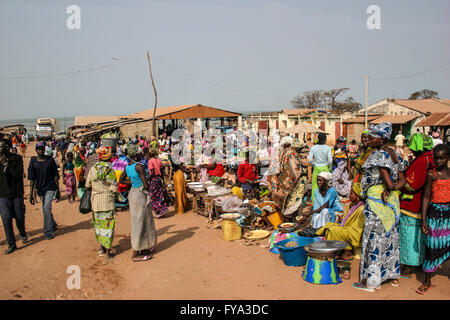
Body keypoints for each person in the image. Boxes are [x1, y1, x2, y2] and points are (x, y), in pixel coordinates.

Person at [353, 122, 406, 292]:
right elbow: (402, 180)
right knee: (389, 241)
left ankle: (371, 282)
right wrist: (393, 190)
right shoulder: (395, 154)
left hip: (377, 204)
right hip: (392, 204)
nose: (368, 139)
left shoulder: (378, 156)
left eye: (372, 137)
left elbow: (389, 184)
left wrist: (388, 189)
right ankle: (390, 276)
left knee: (374, 241)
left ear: (382, 138)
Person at [399, 132, 435, 276]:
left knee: (409, 236)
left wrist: (401, 180)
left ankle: (409, 266)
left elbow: (413, 184)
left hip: (413, 204)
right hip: (426, 203)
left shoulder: (421, 161)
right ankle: (420, 262)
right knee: (421, 236)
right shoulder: (432, 157)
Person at [416, 144, 450, 294]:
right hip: (435, 216)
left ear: (448, 158)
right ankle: (427, 280)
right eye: (436, 158)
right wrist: (424, 220)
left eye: (442, 158)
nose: (439, 161)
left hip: (448, 216)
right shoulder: (431, 175)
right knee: (431, 247)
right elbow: (426, 198)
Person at [119, 145, 157, 262]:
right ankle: (135, 253)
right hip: (140, 195)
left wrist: (132, 182)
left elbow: (121, 180)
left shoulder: (128, 167)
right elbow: (145, 185)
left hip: (133, 194)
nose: (142, 155)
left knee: (140, 221)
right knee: (141, 223)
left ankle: (144, 247)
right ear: (135, 155)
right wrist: (148, 180)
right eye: (140, 154)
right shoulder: (139, 166)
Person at [316, 183, 365, 260]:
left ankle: (346, 250)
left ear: (358, 196)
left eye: (351, 194)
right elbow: (345, 220)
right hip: (346, 228)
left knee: (333, 230)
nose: (349, 195)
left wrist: (342, 228)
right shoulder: (352, 205)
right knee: (329, 225)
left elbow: (357, 230)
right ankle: (336, 250)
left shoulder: (361, 209)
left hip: (353, 233)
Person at [86, 147, 118, 260]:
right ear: (108, 158)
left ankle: (101, 248)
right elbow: (114, 187)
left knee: (99, 225)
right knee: (108, 226)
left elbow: (87, 185)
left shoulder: (93, 169)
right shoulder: (109, 170)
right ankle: (108, 251)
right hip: (107, 202)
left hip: (96, 202)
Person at [0, 139, 28, 254]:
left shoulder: (17, 159)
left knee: (19, 216)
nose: (0, 149)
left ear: (8, 147)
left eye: (1, 146)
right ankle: (12, 244)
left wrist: (6, 165)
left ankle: (22, 233)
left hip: (16, 193)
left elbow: (18, 174)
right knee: (6, 219)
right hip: (3, 194)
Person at [28, 142, 60, 240]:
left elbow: (55, 175)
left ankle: (48, 232)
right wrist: (31, 193)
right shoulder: (33, 161)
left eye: (42, 149)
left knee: (46, 207)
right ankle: (53, 224)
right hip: (40, 188)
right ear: (36, 150)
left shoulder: (50, 160)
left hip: (50, 187)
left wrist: (57, 189)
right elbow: (32, 178)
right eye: (39, 149)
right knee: (44, 209)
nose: (41, 151)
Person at [307, 132, 332, 202]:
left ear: (318, 139)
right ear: (325, 139)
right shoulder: (328, 148)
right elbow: (330, 160)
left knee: (315, 186)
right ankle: (325, 202)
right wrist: (329, 168)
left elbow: (309, 158)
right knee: (326, 186)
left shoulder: (313, 148)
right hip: (325, 167)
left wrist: (314, 163)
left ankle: (315, 204)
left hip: (316, 167)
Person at [147, 148, 169, 219]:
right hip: (159, 179)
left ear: (151, 154)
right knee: (159, 195)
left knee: (152, 196)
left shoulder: (150, 161)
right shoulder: (159, 161)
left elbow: (152, 172)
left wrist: (147, 179)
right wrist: (163, 182)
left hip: (153, 179)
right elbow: (162, 172)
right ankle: (162, 209)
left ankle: (159, 210)